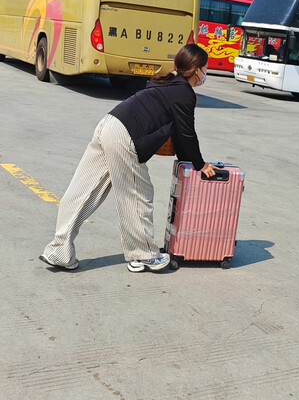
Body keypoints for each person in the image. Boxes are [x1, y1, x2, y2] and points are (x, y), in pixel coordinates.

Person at [39, 44, 217, 273]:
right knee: (137, 194)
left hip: (108, 123)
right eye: (205, 67)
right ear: (196, 70)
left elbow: (178, 135)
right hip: (124, 136)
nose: (206, 72)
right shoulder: (184, 92)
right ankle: (143, 255)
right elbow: (186, 133)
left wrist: (187, 161)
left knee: (84, 189)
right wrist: (200, 165)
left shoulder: (166, 81)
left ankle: (58, 250)